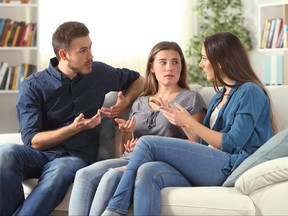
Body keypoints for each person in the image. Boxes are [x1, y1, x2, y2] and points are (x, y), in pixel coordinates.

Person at [102, 32, 278, 216]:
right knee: (147, 171)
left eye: (204, 58)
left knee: (147, 142)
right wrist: (182, 122)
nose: (201, 64)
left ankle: (114, 210)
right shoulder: (219, 96)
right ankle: (125, 189)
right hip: (211, 162)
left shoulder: (250, 91)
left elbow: (232, 143)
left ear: (220, 60)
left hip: (231, 165)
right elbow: (203, 144)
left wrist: (190, 123)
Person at [0, 21, 146, 216]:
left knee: (59, 170)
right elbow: (32, 141)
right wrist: (73, 128)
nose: (90, 56)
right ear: (63, 54)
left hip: (75, 157)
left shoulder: (98, 72)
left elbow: (139, 79)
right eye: (83, 51)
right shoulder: (33, 85)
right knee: (5, 152)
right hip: (41, 154)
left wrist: (125, 102)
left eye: (90, 47)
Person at [68, 41, 206, 216]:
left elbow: (197, 144)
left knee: (111, 177)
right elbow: (125, 150)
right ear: (152, 67)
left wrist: (181, 121)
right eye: (163, 62)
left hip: (162, 164)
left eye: (175, 62)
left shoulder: (191, 98)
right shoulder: (140, 102)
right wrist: (126, 134)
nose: (169, 67)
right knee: (84, 174)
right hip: (130, 160)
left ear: (181, 67)